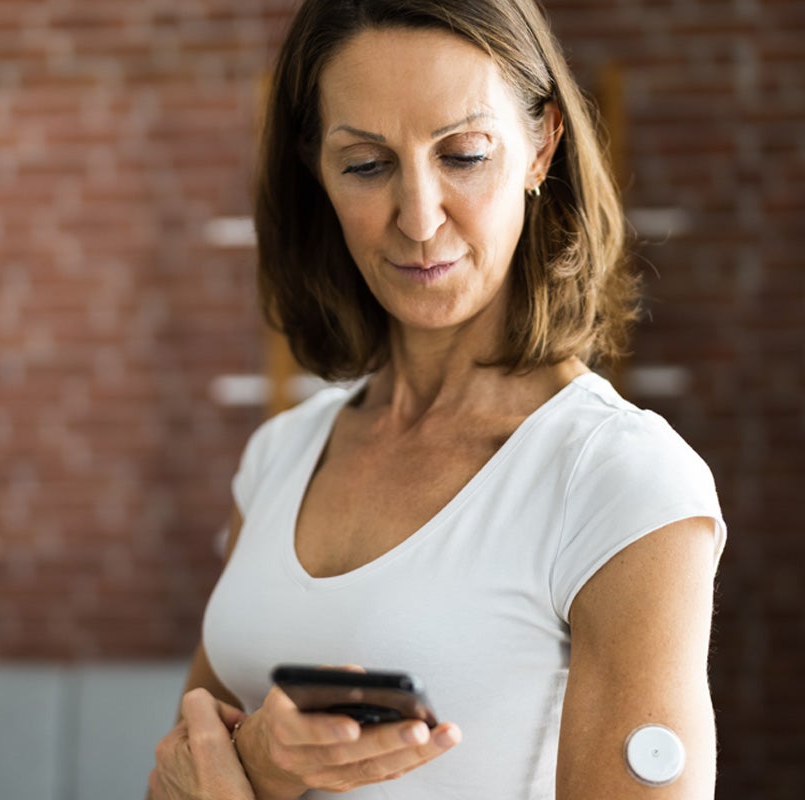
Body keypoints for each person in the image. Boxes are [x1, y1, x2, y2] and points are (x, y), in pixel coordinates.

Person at [149, 0, 726, 798]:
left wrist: (248, 772)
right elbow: (176, 779)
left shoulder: (619, 480)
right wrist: (257, 768)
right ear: (317, 169)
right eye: (365, 165)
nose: (419, 218)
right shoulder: (280, 456)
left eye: (463, 154)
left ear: (541, 145)